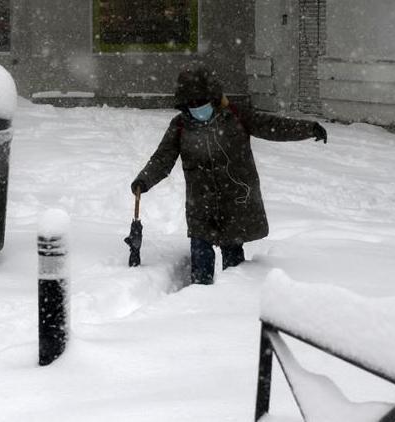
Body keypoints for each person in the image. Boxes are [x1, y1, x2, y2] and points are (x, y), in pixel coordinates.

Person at [131, 64, 327, 285]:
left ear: (213, 99)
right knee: (201, 268)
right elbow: (162, 159)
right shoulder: (180, 126)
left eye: (202, 102)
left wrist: (308, 129)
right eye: (192, 104)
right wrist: (143, 180)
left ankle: (229, 307)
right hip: (200, 207)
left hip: (235, 204)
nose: (198, 108)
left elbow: (272, 126)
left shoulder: (235, 117)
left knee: (236, 272)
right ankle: (196, 307)